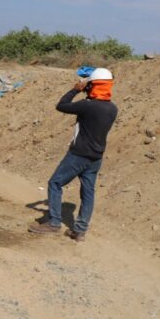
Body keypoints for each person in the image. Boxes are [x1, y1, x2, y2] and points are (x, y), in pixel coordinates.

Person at [29, 67, 118, 242]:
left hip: (78, 155)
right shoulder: (112, 109)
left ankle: (54, 223)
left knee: (55, 183)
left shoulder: (87, 106)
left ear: (93, 85)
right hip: (96, 157)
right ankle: (79, 231)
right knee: (88, 193)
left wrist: (75, 89)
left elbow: (61, 105)